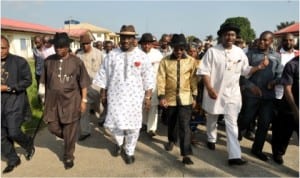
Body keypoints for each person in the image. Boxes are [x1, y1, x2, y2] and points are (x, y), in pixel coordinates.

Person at [197, 23, 268, 166]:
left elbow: (245, 71)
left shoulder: (239, 52)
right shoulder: (212, 51)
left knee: (232, 124)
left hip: (233, 94)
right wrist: (210, 88)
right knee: (212, 117)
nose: (230, 37)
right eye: (227, 34)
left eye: (233, 35)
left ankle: (234, 156)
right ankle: (211, 138)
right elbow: (204, 71)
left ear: (236, 38)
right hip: (215, 92)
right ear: (222, 36)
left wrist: (259, 67)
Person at [93, 25, 154, 164]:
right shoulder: (112, 55)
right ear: (119, 38)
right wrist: (103, 93)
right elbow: (104, 76)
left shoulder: (142, 56)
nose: (125, 40)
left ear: (133, 39)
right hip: (115, 97)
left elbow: (148, 78)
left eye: (129, 37)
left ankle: (129, 151)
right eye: (123, 37)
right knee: (114, 124)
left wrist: (148, 97)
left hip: (134, 99)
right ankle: (119, 143)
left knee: (133, 126)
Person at [38, 32, 90, 169]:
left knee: (69, 128)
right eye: (56, 47)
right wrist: (42, 98)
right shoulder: (48, 61)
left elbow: (84, 83)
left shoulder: (77, 62)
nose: (58, 49)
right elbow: (43, 82)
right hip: (52, 102)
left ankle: (68, 156)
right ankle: (70, 138)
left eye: (61, 47)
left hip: (71, 101)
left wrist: (83, 101)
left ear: (67, 46)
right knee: (52, 127)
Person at [238, 31, 283, 162]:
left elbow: (280, 75)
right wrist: (250, 86)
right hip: (251, 95)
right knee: (246, 119)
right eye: (260, 39)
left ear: (271, 41)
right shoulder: (250, 54)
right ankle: (235, 136)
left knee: (264, 124)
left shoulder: (276, 56)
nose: (262, 42)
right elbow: (241, 75)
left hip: (268, 97)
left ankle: (257, 149)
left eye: (265, 40)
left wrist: (274, 82)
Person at [157, 34, 198, 165]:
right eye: (176, 49)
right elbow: (161, 79)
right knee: (172, 122)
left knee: (184, 125)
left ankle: (185, 153)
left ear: (184, 48)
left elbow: (193, 79)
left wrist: (195, 96)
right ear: (172, 48)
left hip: (186, 97)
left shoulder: (191, 61)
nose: (179, 52)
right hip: (170, 98)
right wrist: (161, 96)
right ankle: (171, 140)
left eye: (181, 49)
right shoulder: (165, 61)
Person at [1, 35, 35, 174]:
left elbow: (27, 81)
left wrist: (8, 87)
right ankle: (13, 159)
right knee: (1, 135)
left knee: (13, 131)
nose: (0, 51)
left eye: (2, 48)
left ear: (8, 48)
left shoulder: (19, 62)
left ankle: (28, 144)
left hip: (14, 101)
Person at [271, 55, 299, 164]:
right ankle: (278, 153)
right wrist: (295, 110)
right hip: (290, 108)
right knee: (283, 135)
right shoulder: (292, 65)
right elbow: (287, 89)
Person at [76, 33, 104, 141]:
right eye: (83, 44)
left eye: (87, 43)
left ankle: (102, 118)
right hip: (83, 87)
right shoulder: (79, 56)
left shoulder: (99, 54)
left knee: (99, 107)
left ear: (90, 43)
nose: (85, 46)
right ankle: (85, 131)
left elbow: (104, 71)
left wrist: (104, 89)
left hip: (96, 87)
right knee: (83, 109)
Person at [139, 33, 163, 137]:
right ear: (141, 44)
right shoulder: (137, 54)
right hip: (139, 85)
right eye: (144, 44)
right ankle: (143, 124)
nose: (146, 46)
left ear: (152, 44)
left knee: (153, 107)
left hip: (154, 85)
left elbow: (162, 71)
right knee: (141, 106)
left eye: (148, 44)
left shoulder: (158, 54)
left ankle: (152, 128)